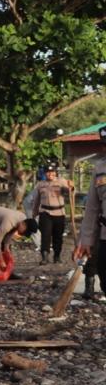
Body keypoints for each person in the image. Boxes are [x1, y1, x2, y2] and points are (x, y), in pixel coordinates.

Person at [74, 125, 106, 300]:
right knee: (104, 275)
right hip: (104, 234)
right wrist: (86, 239)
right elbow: (92, 208)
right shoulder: (100, 168)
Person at [33, 163, 73, 264]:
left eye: (52, 172)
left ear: (55, 173)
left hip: (59, 212)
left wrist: (71, 187)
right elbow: (36, 200)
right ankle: (45, 257)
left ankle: (57, 256)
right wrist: (34, 212)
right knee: (45, 235)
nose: (50, 174)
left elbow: (70, 192)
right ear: (45, 173)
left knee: (58, 236)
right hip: (45, 213)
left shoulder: (62, 181)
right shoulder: (40, 184)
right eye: (48, 173)